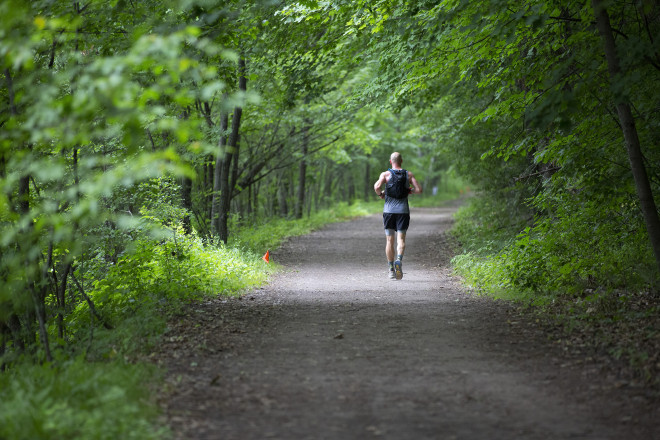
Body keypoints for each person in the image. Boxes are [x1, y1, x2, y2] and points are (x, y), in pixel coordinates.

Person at [373, 152, 422, 280]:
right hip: (403, 212)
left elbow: (377, 186)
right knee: (401, 240)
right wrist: (410, 190)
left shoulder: (386, 174)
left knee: (389, 240)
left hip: (389, 212)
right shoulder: (408, 174)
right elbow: (419, 190)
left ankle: (390, 269)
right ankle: (399, 260)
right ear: (402, 161)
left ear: (390, 161)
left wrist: (381, 195)